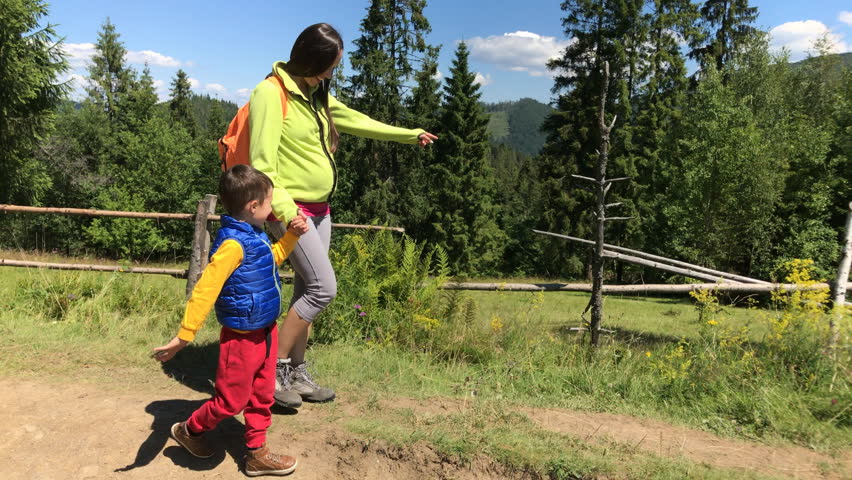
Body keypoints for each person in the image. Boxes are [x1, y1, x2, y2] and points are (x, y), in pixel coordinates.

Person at [248, 22, 438, 409]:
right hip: (292, 213)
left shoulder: (315, 93)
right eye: (332, 65)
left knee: (306, 291)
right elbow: (261, 166)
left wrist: (409, 134)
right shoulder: (270, 94)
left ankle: (297, 372)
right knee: (323, 289)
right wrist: (287, 214)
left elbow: (358, 122)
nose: (334, 73)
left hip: (321, 212)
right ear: (313, 60)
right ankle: (272, 372)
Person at [152, 165, 309, 476]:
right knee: (229, 402)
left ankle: (256, 454)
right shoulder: (232, 246)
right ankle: (189, 430)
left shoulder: (255, 236)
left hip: (266, 332)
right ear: (254, 207)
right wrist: (184, 337)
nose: (272, 206)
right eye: (270, 202)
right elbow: (204, 291)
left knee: (263, 395)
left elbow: (272, 257)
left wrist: (291, 236)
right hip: (241, 339)